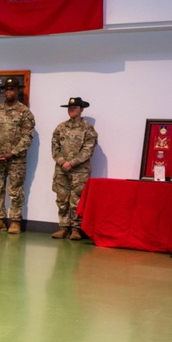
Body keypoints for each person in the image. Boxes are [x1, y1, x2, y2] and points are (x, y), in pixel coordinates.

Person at [0, 77, 35, 234]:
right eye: (6, 89)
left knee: (15, 191)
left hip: (16, 160)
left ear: (17, 91)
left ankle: (15, 221)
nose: (9, 92)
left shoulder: (24, 113)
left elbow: (27, 137)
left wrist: (12, 153)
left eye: (12, 89)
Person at [51, 96, 97, 240]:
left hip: (79, 171)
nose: (72, 110)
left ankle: (76, 229)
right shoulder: (60, 127)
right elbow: (54, 147)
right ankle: (64, 227)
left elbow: (88, 150)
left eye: (75, 108)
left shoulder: (88, 128)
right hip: (62, 170)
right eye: (70, 108)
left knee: (77, 199)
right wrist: (62, 162)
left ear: (81, 110)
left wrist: (72, 163)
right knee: (62, 199)